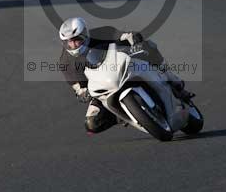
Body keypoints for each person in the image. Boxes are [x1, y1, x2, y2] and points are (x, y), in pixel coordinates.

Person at [58, 17, 193, 134]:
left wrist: (131, 36)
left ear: (85, 34)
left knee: (148, 46)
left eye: (76, 40)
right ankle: (123, 114)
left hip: (124, 66)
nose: (73, 45)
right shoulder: (65, 61)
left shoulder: (102, 32)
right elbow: (77, 85)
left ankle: (172, 78)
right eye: (68, 42)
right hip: (103, 86)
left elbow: (121, 35)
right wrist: (81, 92)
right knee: (91, 123)